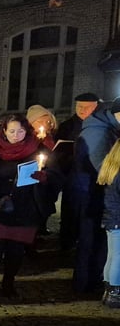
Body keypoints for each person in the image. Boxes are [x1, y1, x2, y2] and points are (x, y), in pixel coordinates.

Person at [0, 114, 49, 297]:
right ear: (4, 132)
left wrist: (44, 178)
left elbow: (55, 174)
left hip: (24, 208)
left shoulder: (37, 150)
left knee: (16, 249)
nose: (16, 135)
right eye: (12, 131)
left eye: (21, 131)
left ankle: (8, 283)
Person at [74, 98, 120, 295]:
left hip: (101, 195)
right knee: (93, 242)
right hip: (93, 196)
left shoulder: (107, 128)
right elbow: (103, 169)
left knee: (106, 246)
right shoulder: (98, 131)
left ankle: (99, 284)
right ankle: (87, 285)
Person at [58, 93, 100, 250]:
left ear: (95, 107)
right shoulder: (67, 126)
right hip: (71, 176)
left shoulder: (99, 125)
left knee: (89, 213)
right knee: (70, 212)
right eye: (79, 107)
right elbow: (58, 153)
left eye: (87, 107)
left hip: (93, 176)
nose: (82, 110)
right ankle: (66, 243)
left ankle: (86, 242)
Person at [96, 140, 120, 307]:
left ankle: (108, 288)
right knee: (118, 257)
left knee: (112, 255)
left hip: (111, 218)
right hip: (118, 219)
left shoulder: (111, 169)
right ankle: (115, 291)